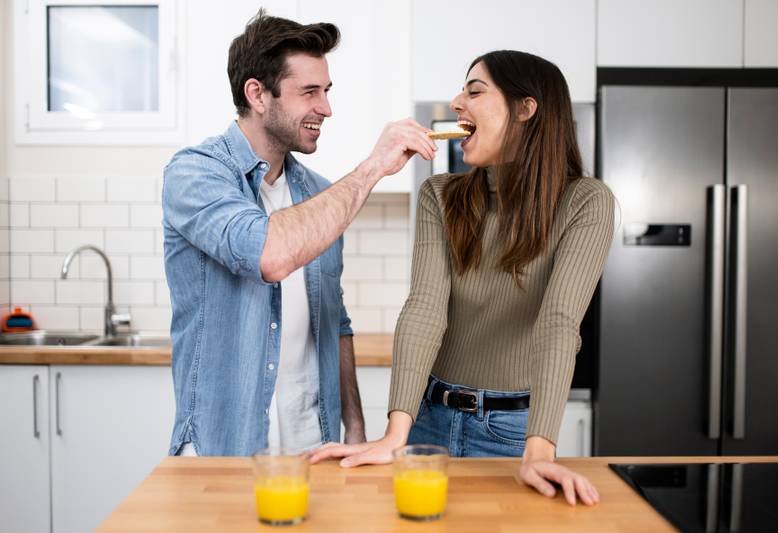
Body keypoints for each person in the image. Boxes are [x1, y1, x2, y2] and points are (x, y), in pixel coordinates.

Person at [311, 50, 614, 506]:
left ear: (525, 109)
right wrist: (396, 432)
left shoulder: (586, 202)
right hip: (428, 421)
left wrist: (539, 450)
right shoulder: (441, 195)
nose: (456, 102)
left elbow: (559, 322)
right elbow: (425, 309)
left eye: (475, 91)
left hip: (513, 432)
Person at [161, 11, 437, 456]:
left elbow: (335, 319)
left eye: (326, 91)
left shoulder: (319, 194)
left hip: (316, 445)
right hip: (225, 448)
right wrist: (372, 168)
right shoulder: (195, 174)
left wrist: (354, 426)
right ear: (258, 94)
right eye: (309, 92)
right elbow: (268, 254)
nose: (325, 108)